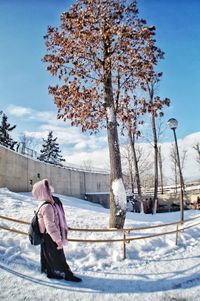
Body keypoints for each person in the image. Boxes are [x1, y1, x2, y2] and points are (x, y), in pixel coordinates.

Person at [32, 178, 82, 282]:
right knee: (59, 256)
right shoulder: (47, 207)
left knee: (48, 255)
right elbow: (50, 226)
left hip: (46, 236)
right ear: (44, 192)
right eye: (48, 190)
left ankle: (50, 272)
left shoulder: (43, 204)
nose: (51, 191)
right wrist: (58, 240)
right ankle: (67, 274)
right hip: (50, 236)